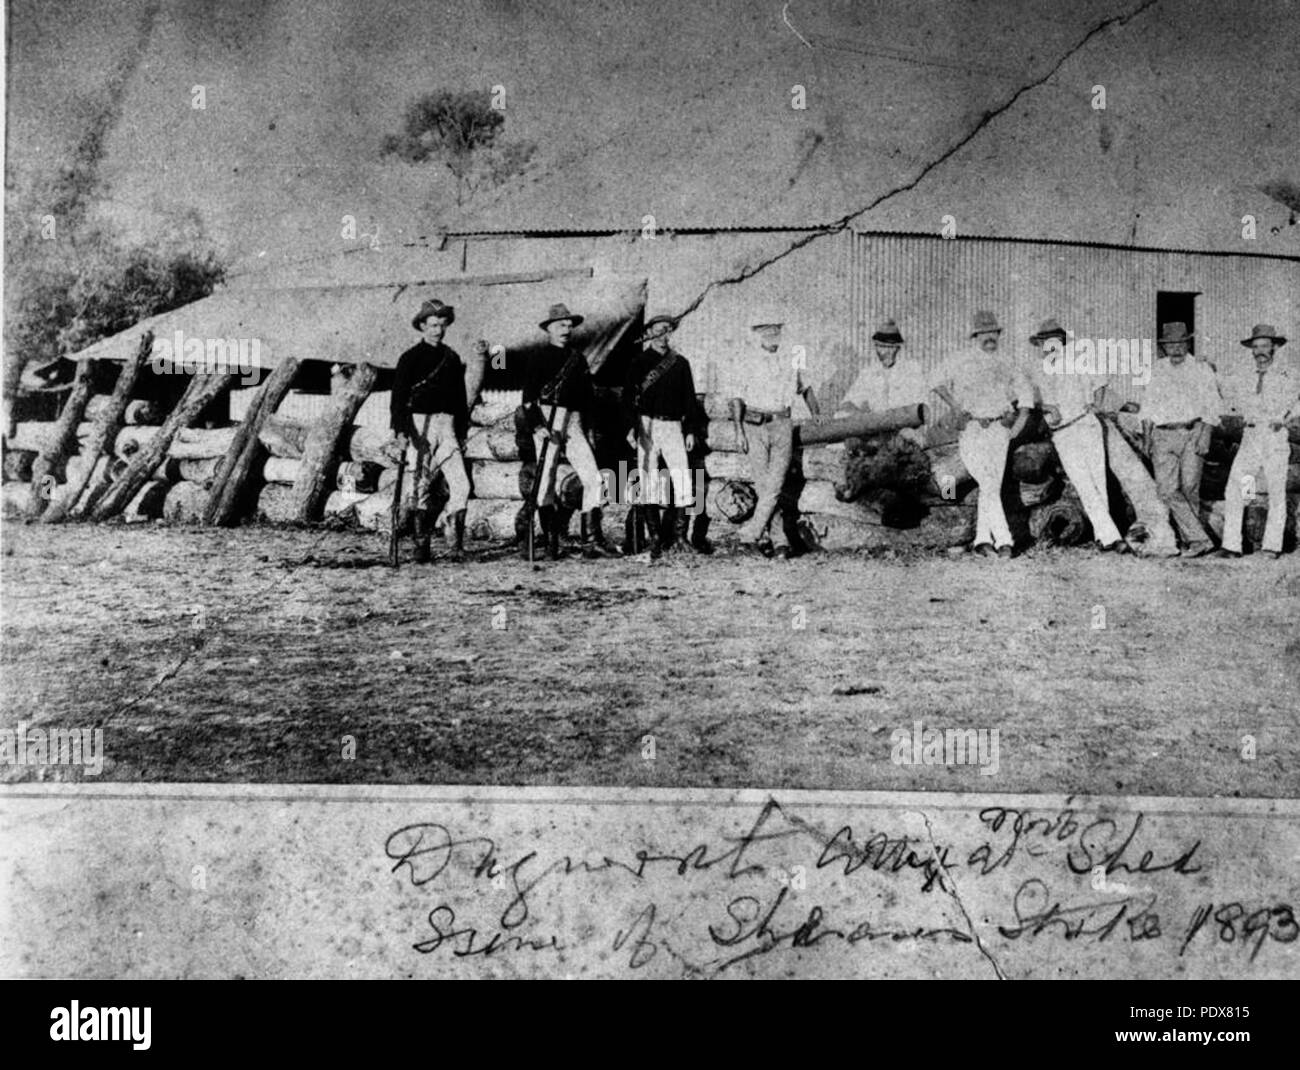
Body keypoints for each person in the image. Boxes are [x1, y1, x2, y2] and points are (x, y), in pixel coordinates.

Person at [932, 311, 1033, 558]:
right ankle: (1005, 540)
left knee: (991, 486)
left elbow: (1027, 396)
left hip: (999, 430)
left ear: (998, 335)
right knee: (988, 483)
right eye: (983, 334)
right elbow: (935, 381)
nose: (989, 338)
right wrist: (955, 406)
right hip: (973, 429)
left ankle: (982, 540)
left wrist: (1017, 427)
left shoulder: (1008, 361)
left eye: (993, 333)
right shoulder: (961, 359)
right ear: (975, 336)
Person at [522, 302, 618, 559]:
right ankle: (552, 542)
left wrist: (588, 431)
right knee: (546, 482)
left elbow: (587, 398)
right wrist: (538, 426)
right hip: (547, 418)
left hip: (573, 421)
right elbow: (528, 399)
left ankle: (591, 542)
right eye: (559, 325)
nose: (565, 329)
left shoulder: (578, 359)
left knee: (594, 479)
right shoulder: (538, 357)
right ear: (549, 329)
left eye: (568, 325)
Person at [1029, 317, 1128, 551]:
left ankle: (1105, 537)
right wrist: (1046, 407)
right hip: (1063, 433)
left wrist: (1098, 405)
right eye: (1044, 342)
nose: (1049, 346)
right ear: (1040, 345)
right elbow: (1028, 398)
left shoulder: (1078, 360)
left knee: (1098, 481)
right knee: (1083, 483)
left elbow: (1101, 382)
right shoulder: (1036, 369)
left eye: (1053, 341)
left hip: (1087, 424)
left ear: (1061, 341)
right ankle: (1111, 537)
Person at [390, 299, 472, 564]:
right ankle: (421, 545)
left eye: (442, 324)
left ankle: (454, 541)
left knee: (461, 484)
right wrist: (402, 432)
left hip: (446, 427)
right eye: (433, 324)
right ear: (422, 326)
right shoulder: (410, 358)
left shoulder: (452, 358)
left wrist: (461, 432)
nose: (438, 330)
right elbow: (398, 401)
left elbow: (460, 402)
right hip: (419, 426)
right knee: (420, 487)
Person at [730, 317, 820, 558]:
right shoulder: (745, 358)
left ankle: (750, 535)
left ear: (781, 329)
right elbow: (736, 398)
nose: (771, 333)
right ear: (757, 332)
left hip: (782, 424)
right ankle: (780, 543)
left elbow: (806, 387)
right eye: (765, 329)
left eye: (775, 328)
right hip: (754, 425)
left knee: (775, 484)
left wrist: (817, 414)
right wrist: (739, 431)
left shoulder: (794, 354)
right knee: (764, 487)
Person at [1129, 321, 1220, 557]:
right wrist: (1147, 440)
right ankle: (1199, 539)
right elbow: (1147, 408)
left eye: (1180, 343)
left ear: (1187, 343)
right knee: (1167, 490)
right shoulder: (1157, 370)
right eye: (1170, 345)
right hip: (1161, 435)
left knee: (1190, 487)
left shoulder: (1201, 369)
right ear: (1164, 347)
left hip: (1192, 432)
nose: (1176, 349)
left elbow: (1212, 405)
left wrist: (1205, 435)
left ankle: (1191, 541)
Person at [834, 317, 935, 525]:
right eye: (879, 347)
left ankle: (903, 506)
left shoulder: (912, 370)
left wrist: (909, 428)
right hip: (878, 437)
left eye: (888, 348)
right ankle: (868, 495)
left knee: (906, 470)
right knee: (865, 462)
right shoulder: (869, 372)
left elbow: (924, 407)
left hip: (904, 435)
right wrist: (857, 415)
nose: (883, 352)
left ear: (897, 347)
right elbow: (847, 403)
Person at [624, 314, 704, 557]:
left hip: (672, 426)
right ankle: (656, 538)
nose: (663, 336)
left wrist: (690, 429)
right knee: (647, 478)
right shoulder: (638, 362)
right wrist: (631, 427)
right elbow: (627, 398)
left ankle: (680, 537)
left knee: (682, 478)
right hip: (646, 425)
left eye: (667, 331)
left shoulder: (680, 363)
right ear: (649, 333)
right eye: (658, 331)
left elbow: (689, 400)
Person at [1217, 324, 1297, 560]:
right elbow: (1231, 399)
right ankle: (1233, 545)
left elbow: (1297, 402)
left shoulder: (1288, 374)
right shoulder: (1244, 376)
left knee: (1275, 489)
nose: (1259, 351)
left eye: (1264, 346)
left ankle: (1271, 546)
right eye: (1255, 347)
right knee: (1239, 488)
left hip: (1273, 437)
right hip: (1251, 436)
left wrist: (1286, 419)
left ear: (1274, 347)